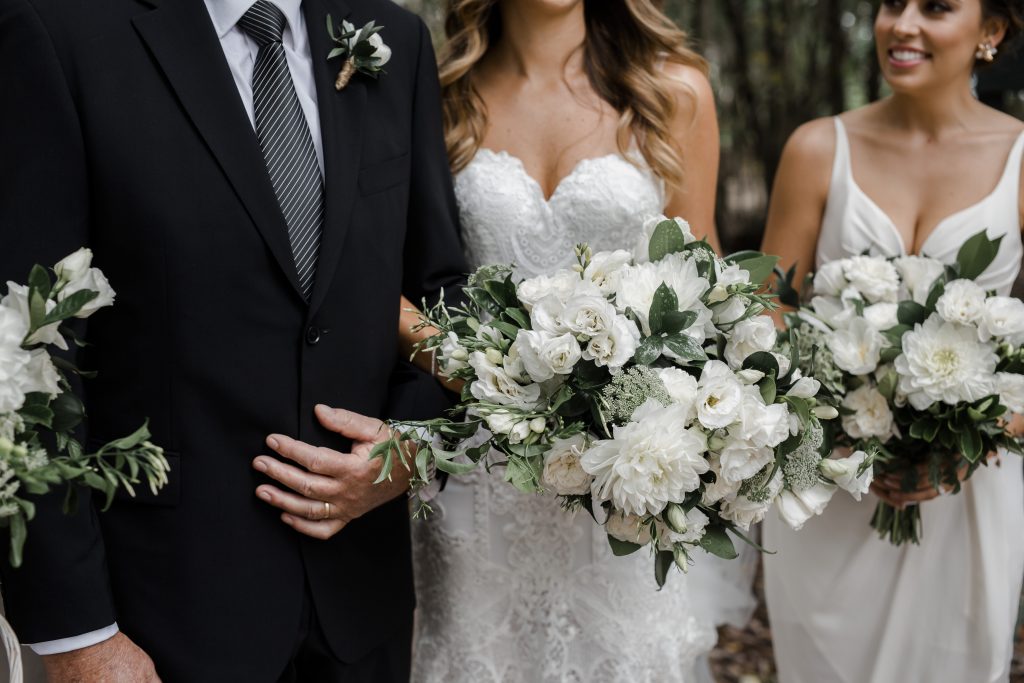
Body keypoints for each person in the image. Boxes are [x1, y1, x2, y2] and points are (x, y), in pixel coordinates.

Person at [0, 0, 465, 680]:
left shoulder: (393, 40)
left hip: (360, 610)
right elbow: (25, 348)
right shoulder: (58, 31)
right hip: (160, 615)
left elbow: (437, 291)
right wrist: (79, 635)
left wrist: (412, 448)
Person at [405, 1, 751, 681]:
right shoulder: (439, 93)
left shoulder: (672, 91)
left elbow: (701, 290)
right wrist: (475, 369)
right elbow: (395, 280)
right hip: (479, 475)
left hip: (625, 480)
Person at [760, 0, 1024, 680]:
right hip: (832, 486)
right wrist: (838, 429)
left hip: (971, 491)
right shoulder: (817, 148)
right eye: (889, 4)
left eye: (934, 7)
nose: (901, 25)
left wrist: (976, 440)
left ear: (991, 32)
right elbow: (767, 317)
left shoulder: (1021, 158)